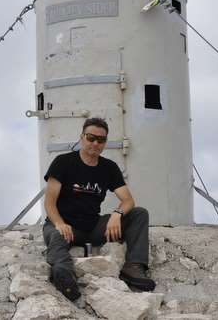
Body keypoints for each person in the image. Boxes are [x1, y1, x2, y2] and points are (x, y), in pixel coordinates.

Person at [43, 117, 155, 301]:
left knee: (139, 214)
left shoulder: (109, 168)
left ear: (105, 143)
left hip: (92, 227)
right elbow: (49, 202)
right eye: (91, 137)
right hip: (65, 225)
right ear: (82, 137)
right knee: (56, 236)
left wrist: (117, 215)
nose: (95, 143)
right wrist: (59, 223)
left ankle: (133, 267)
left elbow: (128, 200)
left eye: (101, 140)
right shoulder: (63, 162)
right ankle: (65, 277)